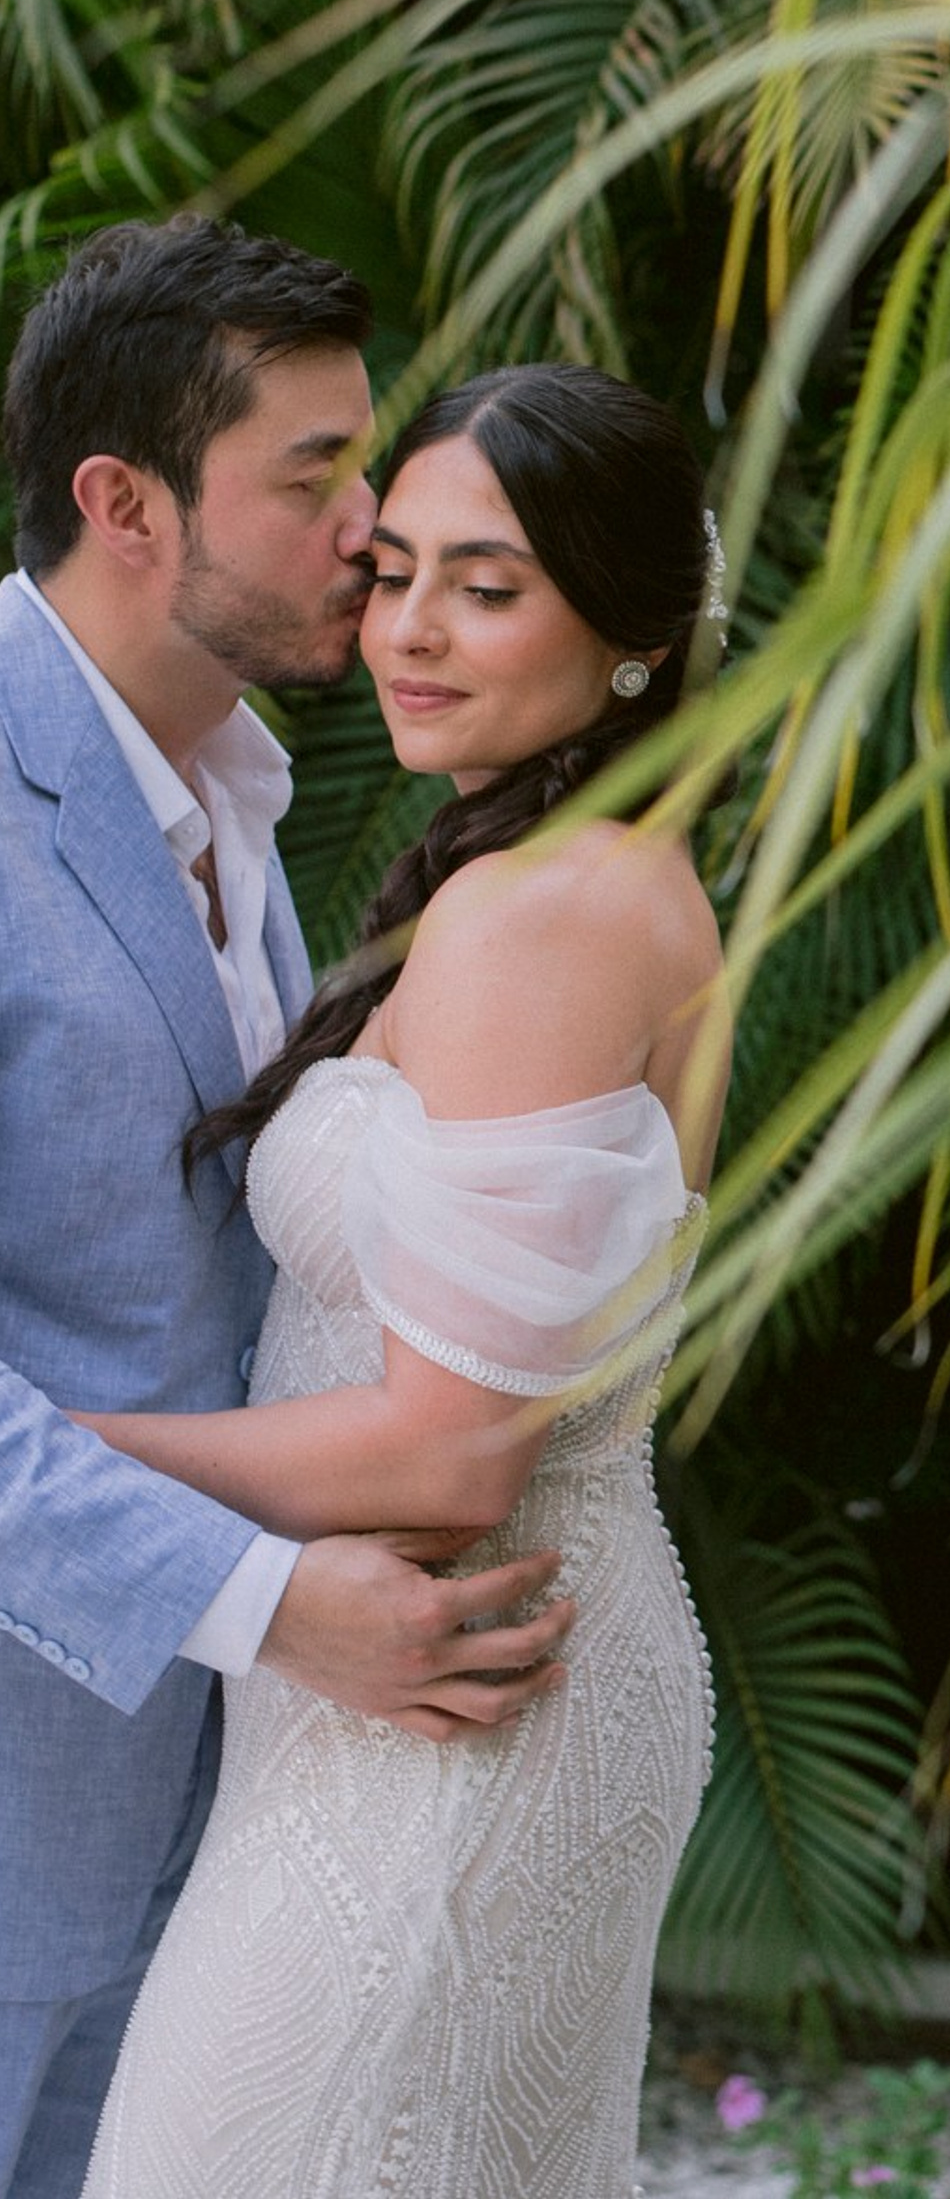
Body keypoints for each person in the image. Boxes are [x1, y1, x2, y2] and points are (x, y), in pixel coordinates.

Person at [68, 360, 731, 2199]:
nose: (410, 632)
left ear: (633, 636)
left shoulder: (551, 914)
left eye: (487, 586)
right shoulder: (565, 879)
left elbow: (449, 1456)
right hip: (431, 1690)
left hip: (457, 1697)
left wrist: (57, 1451)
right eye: (395, 571)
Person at [0, 224, 577, 2199]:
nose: (373, 529)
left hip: (203, 1811)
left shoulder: (235, 796)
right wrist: (260, 1599)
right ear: (125, 506)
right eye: (315, 474)